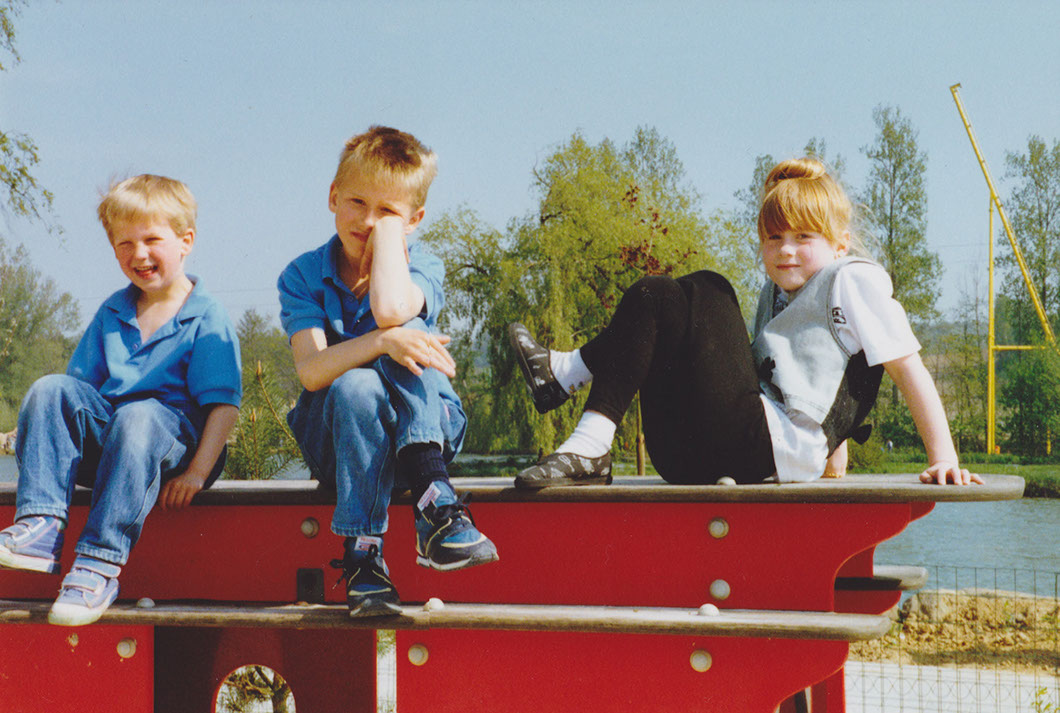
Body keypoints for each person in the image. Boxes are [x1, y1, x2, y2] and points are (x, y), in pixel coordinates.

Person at [510, 157, 981, 489]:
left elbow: (905, 368)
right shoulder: (775, 295)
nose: (786, 250)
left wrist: (943, 459)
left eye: (803, 237)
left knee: (709, 287)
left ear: (840, 243)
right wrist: (833, 464)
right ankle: (581, 421)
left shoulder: (852, 280)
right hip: (685, 453)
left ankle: (568, 376)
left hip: (760, 449)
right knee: (662, 298)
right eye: (773, 238)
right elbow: (825, 373)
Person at [0, 175, 242, 626]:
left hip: (175, 447)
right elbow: (76, 396)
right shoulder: (114, 309)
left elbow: (223, 406)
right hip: (112, 443)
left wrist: (197, 472)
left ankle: (98, 564)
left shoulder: (206, 316)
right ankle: (42, 525)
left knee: (140, 415)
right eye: (124, 244)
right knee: (50, 387)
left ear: (186, 241)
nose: (138, 254)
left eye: (152, 239)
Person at [278, 126, 497, 618]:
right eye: (357, 202)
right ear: (333, 198)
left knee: (404, 335)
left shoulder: (425, 265)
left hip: (425, 430)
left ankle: (404, 525)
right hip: (338, 442)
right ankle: (399, 530)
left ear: (415, 220)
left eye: (390, 213)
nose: (370, 222)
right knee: (356, 380)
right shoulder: (303, 275)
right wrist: (382, 342)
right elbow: (313, 372)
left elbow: (393, 307)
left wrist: (391, 246)